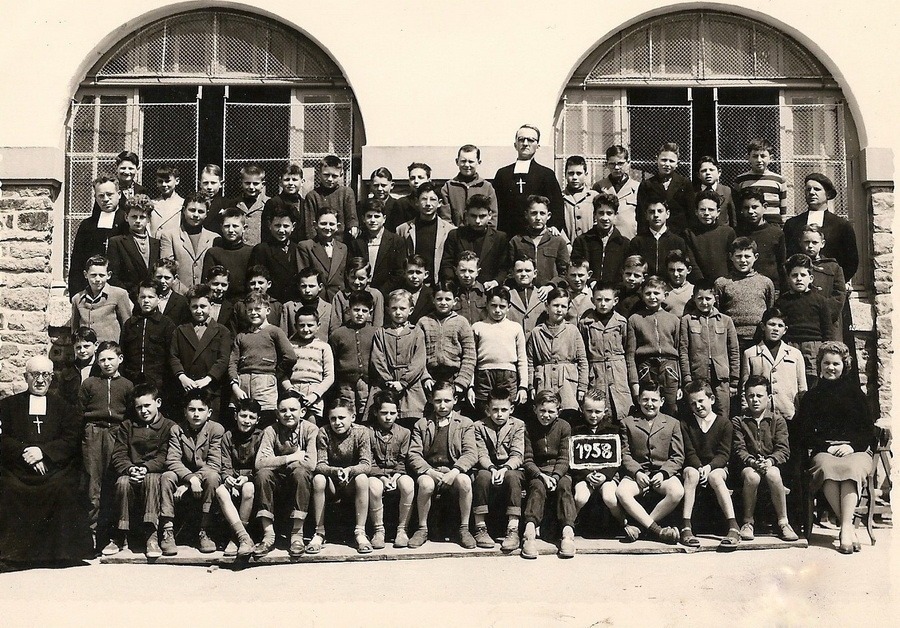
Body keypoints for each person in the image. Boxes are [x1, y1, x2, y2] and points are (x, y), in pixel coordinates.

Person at [0, 356, 93, 566]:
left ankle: (59, 554)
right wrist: (25, 451)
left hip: (52, 468)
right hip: (17, 469)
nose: (40, 380)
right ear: (25, 376)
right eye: (35, 374)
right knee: (8, 488)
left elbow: (71, 439)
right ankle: (14, 555)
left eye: (45, 375)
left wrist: (43, 452)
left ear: (52, 378)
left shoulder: (64, 408)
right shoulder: (7, 406)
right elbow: (2, 437)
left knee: (63, 487)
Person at [796, 342, 875, 553]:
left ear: (844, 366)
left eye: (836, 364)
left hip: (855, 450)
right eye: (826, 363)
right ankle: (848, 527)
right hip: (825, 451)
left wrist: (852, 447)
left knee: (851, 469)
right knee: (827, 469)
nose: (830, 368)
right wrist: (826, 447)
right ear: (820, 365)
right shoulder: (811, 397)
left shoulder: (856, 394)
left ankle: (845, 527)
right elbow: (804, 432)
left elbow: (868, 430)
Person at [107, 382, 177, 558]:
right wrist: (130, 469)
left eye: (147, 405)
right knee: (122, 483)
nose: (143, 411)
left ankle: (151, 536)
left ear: (158, 403)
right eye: (139, 407)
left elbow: (165, 455)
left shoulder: (168, 426)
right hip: (131, 473)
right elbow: (119, 454)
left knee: (152, 480)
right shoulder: (127, 426)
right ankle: (120, 535)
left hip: (154, 474)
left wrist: (146, 468)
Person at [407, 382, 478, 549]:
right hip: (431, 471)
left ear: (455, 400)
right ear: (431, 400)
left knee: (465, 481)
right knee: (425, 484)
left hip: (454, 471)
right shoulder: (422, 424)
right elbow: (414, 454)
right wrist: (429, 471)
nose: (443, 405)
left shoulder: (465, 423)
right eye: (438, 401)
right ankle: (422, 529)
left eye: (447, 400)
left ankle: (464, 528)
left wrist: (454, 472)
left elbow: (470, 453)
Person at [614, 381, 684, 545]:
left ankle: (642, 527)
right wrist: (637, 472)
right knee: (622, 492)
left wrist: (663, 473)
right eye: (645, 399)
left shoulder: (672, 423)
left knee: (677, 491)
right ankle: (658, 531)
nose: (649, 404)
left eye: (654, 400)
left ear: (662, 401)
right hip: (637, 474)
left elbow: (678, 456)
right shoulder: (627, 422)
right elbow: (624, 454)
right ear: (638, 400)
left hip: (663, 474)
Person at [158, 387, 225, 555]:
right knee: (167, 476)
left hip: (203, 477)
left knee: (213, 477)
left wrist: (191, 482)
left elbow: (214, 463)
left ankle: (205, 530)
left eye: (201, 410)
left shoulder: (216, 429)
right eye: (191, 409)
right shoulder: (177, 430)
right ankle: (168, 530)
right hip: (183, 476)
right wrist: (190, 479)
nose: (196, 414)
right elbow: (172, 460)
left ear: (209, 413)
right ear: (185, 411)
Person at [252, 392, 319, 559]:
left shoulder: (310, 429)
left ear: (302, 412)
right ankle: (268, 535)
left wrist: (276, 462)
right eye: (283, 410)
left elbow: (311, 464)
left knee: (301, 472)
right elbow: (260, 463)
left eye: (293, 410)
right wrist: (291, 458)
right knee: (263, 474)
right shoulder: (271, 431)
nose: (288, 414)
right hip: (277, 481)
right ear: (277, 413)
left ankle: (297, 535)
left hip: (299, 481)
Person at [79, 340, 134, 544]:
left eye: (111, 359)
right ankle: (92, 533)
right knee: (93, 483)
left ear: (120, 359)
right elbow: (79, 412)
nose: (107, 363)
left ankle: (115, 533)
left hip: (117, 433)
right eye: (102, 360)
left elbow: (131, 414)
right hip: (93, 432)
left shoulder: (127, 385)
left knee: (115, 480)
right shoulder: (90, 383)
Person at [732, 376, 798, 542]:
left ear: (768, 397)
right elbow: (739, 449)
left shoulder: (778, 420)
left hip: (771, 464)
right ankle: (748, 522)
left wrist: (770, 461)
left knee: (773, 474)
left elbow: (783, 449)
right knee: (752, 476)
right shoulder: (739, 421)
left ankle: (783, 522)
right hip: (748, 466)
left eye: (759, 396)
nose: (755, 400)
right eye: (751, 396)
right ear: (745, 397)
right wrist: (752, 462)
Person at [679, 379, 740, 549]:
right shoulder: (686, 424)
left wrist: (709, 467)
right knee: (691, 474)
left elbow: (724, 454)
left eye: (701, 401)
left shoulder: (724, 423)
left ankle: (733, 526)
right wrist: (699, 467)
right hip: (695, 466)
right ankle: (686, 526)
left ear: (711, 399)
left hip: (717, 467)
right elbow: (689, 451)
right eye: (693, 403)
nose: (698, 406)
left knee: (715, 476)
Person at [310, 397, 373, 555]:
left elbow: (366, 464)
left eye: (341, 418)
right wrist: (336, 471)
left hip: (352, 482)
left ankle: (360, 532)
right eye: (333, 418)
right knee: (318, 479)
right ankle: (319, 532)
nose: (337, 422)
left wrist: (349, 471)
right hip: (332, 482)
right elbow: (320, 464)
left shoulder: (362, 432)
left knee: (362, 478)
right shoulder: (324, 432)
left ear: (353, 417)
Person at [521, 389, 576, 559]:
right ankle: (529, 533)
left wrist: (556, 476)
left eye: (551, 411)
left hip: (558, 472)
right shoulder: (528, 427)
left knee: (564, 485)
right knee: (537, 487)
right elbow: (527, 459)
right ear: (535, 409)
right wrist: (540, 475)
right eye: (542, 410)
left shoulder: (564, 427)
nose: (546, 415)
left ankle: (568, 533)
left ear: (558, 411)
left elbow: (564, 458)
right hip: (537, 472)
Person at [471, 388, 526, 552]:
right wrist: (492, 468)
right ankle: (480, 527)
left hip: (511, 467)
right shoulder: (479, 426)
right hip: (488, 466)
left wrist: (505, 468)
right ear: (487, 410)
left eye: (504, 410)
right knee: (482, 477)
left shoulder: (518, 425)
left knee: (513, 477)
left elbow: (517, 454)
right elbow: (481, 454)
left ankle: (513, 528)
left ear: (511, 409)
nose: (499, 414)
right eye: (495, 410)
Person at [229, 293, 297, 423]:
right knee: (241, 419)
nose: (253, 313)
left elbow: (290, 357)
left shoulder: (274, 331)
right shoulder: (241, 336)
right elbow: (233, 362)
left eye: (257, 309)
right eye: (249, 310)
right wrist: (235, 386)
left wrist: (275, 373)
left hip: (264, 384)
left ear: (268, 310)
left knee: (265, 420)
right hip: (242, 384)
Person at [169, 284, 233, 417]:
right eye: (194, 307)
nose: (199, 311)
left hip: (211, 390)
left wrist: (208, 378)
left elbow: (223, 359)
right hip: (187, 387)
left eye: (203, 306)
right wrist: (182, 377)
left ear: (211, 306)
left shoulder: (222, 331)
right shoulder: (180, 330)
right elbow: (173, 356)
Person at [678, 280, 740, 418]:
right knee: (699, 413)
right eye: (700, 298)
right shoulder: (687, 320)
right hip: (697, 377)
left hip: (721, 378)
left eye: (708, 298)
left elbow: (734, 351)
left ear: (715, 299)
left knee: (722, 413)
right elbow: (683, 351)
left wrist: (734, 381)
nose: (704, 302)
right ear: (693, 299)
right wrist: (687, 379)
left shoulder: (726, 320)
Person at [571, 389, 628, 538]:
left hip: (607, 475)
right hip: (584, 475)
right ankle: (568, 525)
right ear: (582, 409)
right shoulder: (576, 431)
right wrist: (586, 474)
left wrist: (605, 475)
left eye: (598, 411)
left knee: (610, 497)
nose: (593, 415)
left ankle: (624, 523)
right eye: (589, 411)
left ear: (605, 411)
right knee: (580, 497)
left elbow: (617, 459)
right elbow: (572, 459)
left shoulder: (613, 430)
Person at [776, 254, 839, 386]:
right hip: (790, 345)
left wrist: (827, 350)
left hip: (813, 346)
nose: (799, 279)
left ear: (810, 278)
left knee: (813, 379)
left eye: (803, 275)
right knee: (791, 379)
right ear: (788, 278)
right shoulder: (782, 301)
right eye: (794, 275)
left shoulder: (820, 300)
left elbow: (828, 328)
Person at [784, 173, 858, 284]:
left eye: (817, 189)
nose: (811, 192)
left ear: (828, 194)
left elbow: (851, 262)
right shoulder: (792, 224)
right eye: (808, 189)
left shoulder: (841, 225)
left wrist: (836, 283)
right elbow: (786, 257)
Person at [370, 289, 427, 429]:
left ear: (411, 310)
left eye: (402, 308)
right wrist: (388, 381)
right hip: (386, 383)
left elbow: (418, 361)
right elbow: (377, 359)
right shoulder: (381, 332)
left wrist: (403, 382)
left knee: (412, 422)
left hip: (411, 385)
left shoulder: (416, 332)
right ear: (388, 310)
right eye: (394, 308)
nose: (398, 312)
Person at [526, 287, 589, 414]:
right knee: (546, 412)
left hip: (567, 383)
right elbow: (530, 362)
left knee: (569, 413)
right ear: (547, 306)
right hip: (544, 381)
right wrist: (531, 386)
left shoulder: (573, 331)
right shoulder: (537, 332)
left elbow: (583, 361)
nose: (559, 310)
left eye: (563, 306)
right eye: (555, 305)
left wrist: (582, 386)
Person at [494, 124, 565, 236]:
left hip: (537, 235)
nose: (525, 143)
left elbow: (557, 204)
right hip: (507, 235)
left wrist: (554, 226)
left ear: (538, 146)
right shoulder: (503, 174)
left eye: (531, 140)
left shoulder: (546, 174)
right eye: (521, 139)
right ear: (515, 144)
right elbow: (495, 206)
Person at [366, 390, 415, 549]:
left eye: (392, 413)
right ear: (375, 412)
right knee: (374, 486)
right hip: (375, 474)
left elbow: (403, 459)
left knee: (408, 484)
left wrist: (396, 476)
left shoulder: (405, 433)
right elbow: (368, 460)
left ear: (397, 413)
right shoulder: (367, 432)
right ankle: (378, 530)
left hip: (397, 474)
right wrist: (382, 477)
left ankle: (402, 529)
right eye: (384, 413)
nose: (388, 417)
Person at [741, 307, 808, 424]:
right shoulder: (750, 354)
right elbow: (745, 387)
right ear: (763, 326)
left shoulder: (795, 354)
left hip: (789, 414)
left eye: (780, 326)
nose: (776, 329)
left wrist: (802, 414)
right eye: (771, 324)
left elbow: (802, 387)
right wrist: (746, 410)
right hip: (761, 416)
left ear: (785, 330)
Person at [625, 276, 682, 415]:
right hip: (646, 368)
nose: (652, 297)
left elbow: (679, 351)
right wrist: (634, 383)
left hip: (669, 369)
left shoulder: (674, 320)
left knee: (671, 409)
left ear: (665, 295)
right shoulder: (634, 319)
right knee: (647, 408)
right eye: (648, 293)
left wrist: (680, 384)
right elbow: (630, 355)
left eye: (656, 293)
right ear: (642, 295)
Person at [215, 398, 263, 558]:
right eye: (243, 416)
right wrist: (228, 478)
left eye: (252, 417)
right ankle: (243, 537)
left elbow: (260, 465)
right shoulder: (228, 436)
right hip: (233, 478)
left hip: (251, 480)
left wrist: (247, 478)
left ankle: (236, 539)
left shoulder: (260, 436)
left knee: (248, 489)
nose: (247, 420)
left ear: (257, 420)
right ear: (236, 416)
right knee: (221, 491)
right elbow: (225, 464)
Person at [69, 173, 128, 296]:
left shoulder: (127, 222)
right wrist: (76, 293)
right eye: (101, 196)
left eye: (109, 194)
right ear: (95, 197)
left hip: (121, 289)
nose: (105, 199)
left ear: (119, 194)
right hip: (91, 290)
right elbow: (77, 262)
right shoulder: (87, 225)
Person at [579, 281, 631, 420]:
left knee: (621, 411)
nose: (603, 304)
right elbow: (583, 353)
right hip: (596, 374)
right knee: (597, 410)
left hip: (618, 374)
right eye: (599, 300)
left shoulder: (621, 322)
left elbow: (627, 348)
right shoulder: (585, 323)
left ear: (615, 301)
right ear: (592, 301)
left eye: (607, 300)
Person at [471, 286, 529, 411]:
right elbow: (471, 359)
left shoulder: (515, 328)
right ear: (487, 305)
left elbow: (522, 359)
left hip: (508, 376)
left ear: (509, 307)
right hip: (484, 375)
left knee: (506, 411)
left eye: (502, 306)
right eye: (493, 305)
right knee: (485, 411)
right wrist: (470, 386)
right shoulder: (477, 327)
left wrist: (523, 386)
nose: (497, 310)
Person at [715, 237, 776, 355]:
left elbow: (770, 309)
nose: (743, 260)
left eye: (747, 256)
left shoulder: (765, 282)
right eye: (738, 256)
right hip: (732, 339)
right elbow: (718, 312)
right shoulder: (722, 283)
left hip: (758, 339)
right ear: (731, 256)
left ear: (755, 257)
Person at [417, 281, 476, 399]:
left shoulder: (461, 322)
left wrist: (462, 381)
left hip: (454, 378)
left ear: (455, 301)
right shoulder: (423, 322)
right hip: (430, 378)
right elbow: (417, 354)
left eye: (448, 299)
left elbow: (469, 355)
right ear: (433, 300)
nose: (443, 302)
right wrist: (425, 377)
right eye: (439, 299)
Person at [439, 193, 508, 287]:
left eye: (482, 216)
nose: (477, 221)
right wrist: (452, 283)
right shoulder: (455, 235)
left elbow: (504, 267)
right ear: (466, 215)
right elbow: (447, 264)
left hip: (488, 289)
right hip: (459, 289)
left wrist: (495, 282)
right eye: (473, 216)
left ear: (490, 215)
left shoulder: (500, 238)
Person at [396, 181, 456, 284]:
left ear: (439, 203)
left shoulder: (450, 230)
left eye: (432, 199)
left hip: (438, 285)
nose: (428, 204)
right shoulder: (403, 230)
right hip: (411, 284)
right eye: (424, 199)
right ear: (417, 201)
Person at [120, 280, 176, 389]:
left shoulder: (166, 324)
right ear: (138, 298)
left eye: (150, 297)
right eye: (142, 297)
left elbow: (171, 356)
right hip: (132, 381)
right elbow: (123, 352)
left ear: (158, 299)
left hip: (158, 382)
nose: (146, 301)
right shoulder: (130, 324)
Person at [329, 290, 377, 418]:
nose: (360, 314)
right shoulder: (338, 334)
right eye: (356, 310)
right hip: (345, 382)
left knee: (366, 410)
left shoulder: (375, 333)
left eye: (364, 311)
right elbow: (333, 359)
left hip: (367, 381)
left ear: (370, 312)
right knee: (346, 409)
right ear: (348, 310)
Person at [285, 305, 334, 424]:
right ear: (295, 326)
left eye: (310, 325)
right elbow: (281, 373)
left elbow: (329, 377)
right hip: (292, 390)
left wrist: (315, 395)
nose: (306, 329)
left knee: (311, 426)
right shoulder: (289, 346)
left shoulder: (324, 347)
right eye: (302, 325)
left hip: (314, 392)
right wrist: (289, 389)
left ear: (318, 326)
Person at [159, 192, 218, 289]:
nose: (196, 215)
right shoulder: (169, 236)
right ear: (184, 210)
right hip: (179, 293)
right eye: (192, 210)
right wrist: (183, 292)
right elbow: (167, 270)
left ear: (206, 214)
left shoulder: (214, 238)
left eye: (201, 211)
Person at [508, 195, 569, 287]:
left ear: (548, 216)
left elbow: (564, 272)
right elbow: (509, 271)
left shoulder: (558, 241)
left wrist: (551, 286)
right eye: (534, 213)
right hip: (524, 291)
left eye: (542, 213)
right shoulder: (516, 241)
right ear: (526, 215)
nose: (538, 218)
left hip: (550, 292)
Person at [71, 254, 133, 343]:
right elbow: (75, 331)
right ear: (85, 275)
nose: (97, 279)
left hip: (110, 349)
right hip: (87, 349)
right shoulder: (77, 299)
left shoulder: (119, 294)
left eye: (101, 275)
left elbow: (127, 327)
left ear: (109, 275)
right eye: (93, 275)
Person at [349, 197, 407, 294]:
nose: (372, 220)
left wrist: (380, 293)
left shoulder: (396, 241)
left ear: (384, 219)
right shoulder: (357, 242)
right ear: (363, 219)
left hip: (386, 293)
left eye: (376, 216)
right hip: (360, 292)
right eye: (369, 216)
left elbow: (399, 273)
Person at [107, 194, 160, 299]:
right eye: (134, 217)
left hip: (151, 298)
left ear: (149, 219)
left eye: (142, 217)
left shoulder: (156, 243)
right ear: (126, 217)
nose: (138, 221)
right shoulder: (117, 242)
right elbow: (113, 276)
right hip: (128, 298)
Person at [571, 192, 630, 284]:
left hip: (615, 290)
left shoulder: (624, 243)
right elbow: (577, 269)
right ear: (595, 215)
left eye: (609, 213)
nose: (605, 218)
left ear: (615, 215)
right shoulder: (582, 241)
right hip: (589, 288)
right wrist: (591, 283)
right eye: (601, 213)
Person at [636, 143, 694, 235]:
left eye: (671, 161)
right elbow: (641, 215)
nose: (667, 164)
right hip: (653, 234)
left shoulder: (685, 184)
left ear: (677, 163)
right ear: (657, 160)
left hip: (679, 234)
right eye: (664, 160)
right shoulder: (647, 185)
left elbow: (690, 213)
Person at [735, 188, 786, 291]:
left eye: (754, 207)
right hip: (742, 288)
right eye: (746, 208)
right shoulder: (737, 233)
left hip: (770, 288)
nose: (750, 211)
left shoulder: (776, 233)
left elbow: (782, 265)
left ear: (765, 207)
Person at [250, 205, 302, 304]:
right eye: (277, 225)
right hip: (270, 302)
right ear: (270, 225)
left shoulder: (298, 248)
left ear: (293, 227)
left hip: (294, 302)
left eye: (286, 226)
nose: (281, 230)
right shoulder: (262, 249)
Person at [682, 189, 735, 283]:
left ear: (718, 212)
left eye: (711, 210)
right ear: (696, 211)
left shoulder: (728, 232)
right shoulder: (689, 233)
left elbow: (733, 261)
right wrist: (701, 283)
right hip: (699, 285)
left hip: (724, 283)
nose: (706, 213)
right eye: (702, 209)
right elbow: (691, 262)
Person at [626, 196, 687, 276]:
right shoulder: (637, 241)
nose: (656, 215)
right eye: (651, 212)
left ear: (667, 214)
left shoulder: (678, 241)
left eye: (660, 211)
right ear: (646, 215)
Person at [297, 207, 349, 302]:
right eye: (323, 223)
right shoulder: (306, 246)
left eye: (331, 224)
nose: (328, 227)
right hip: (316, 299)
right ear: (315, 225)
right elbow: (304, 276)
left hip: (337, 299)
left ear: (337, 226)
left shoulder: (343, 248)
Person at [202, 207, 254, 301]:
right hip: (220, 302)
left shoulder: (251, 252)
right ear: (221, 227)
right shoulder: (213, 253)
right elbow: (207, 284)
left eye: (235, 226)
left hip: (244, 302)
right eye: (227, 226)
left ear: (244, 228)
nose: (230, 230)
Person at [732, 139, 787, 226]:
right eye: (755, 156)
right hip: (749, 226)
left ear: (771, 158)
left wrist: (782, 224)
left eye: (763, 156)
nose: (759, 160)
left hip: (773, 225)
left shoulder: (779, 180)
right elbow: (737, 206)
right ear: (748, 158)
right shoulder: (741, 180)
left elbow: (783, 209)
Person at [302, 155, 358, 240]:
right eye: (326, 175)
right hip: (319, 242)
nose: (330, 179)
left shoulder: (347, 193)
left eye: (334, 176)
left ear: (341, 175)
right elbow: (310, 227)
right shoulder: (312, 196)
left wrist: (353, 227)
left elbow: (351, 217)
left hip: (342, 242)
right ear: (319, 174)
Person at [441, 144, 498, 226]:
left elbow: (492, 218)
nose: (467, 165)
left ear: (479, 162)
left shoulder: (487, 187)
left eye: (471, 161)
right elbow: (445, 219)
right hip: (456, 233)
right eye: (463, 161)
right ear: (457, 161)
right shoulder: (448, 187)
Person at [592, 145, 640, 239]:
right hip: (605, 239)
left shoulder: (637, 187)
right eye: (612, 164)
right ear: (606, 164)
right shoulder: (599, 187)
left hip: (630, 238)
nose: (616, 167)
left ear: (628, 163)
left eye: (620, 163)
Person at [329, 257, 384, 333]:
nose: (356, 282)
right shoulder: (340, 296)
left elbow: (378, 325)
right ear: (347, 276)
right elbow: (335, 326)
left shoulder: (376, 295)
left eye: (361, 278)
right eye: (353, 277)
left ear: (368, 278)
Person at [281, 267, 331, 341]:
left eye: (311, 286)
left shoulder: (329, 308)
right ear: (298, 287)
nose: (307, 290)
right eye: (304, 286)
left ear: (320, 287)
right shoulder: (289, 307)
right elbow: (283, 336)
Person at [261, 163, 305, 243]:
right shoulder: (273, 203)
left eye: (294, 180)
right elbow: (266, 231)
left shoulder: (305, 203)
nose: (290, 183)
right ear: (280, 182)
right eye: (287, 180)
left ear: (302, 182)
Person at [226, 165, 269, 246]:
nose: (251, 187)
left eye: (255, 184)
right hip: (239, 249)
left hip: (260, 249)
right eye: (247, 183)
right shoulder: (233, 204)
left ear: (263, 184)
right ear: (241, 183)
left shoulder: (268, 203)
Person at [561, 155, 599, 244]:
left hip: (590, 245)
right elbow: (557, 225)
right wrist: (566, 244)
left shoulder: (594, 196)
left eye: (579, 173)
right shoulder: (560, 197)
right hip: (567, 246)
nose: (574, 177)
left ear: (585, 174)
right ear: (565, 175)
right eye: (571, 173)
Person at [505, 254, 545, 335]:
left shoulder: (542, 294)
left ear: (535, 273)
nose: (523, 274)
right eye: (519, 271)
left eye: (527, 270)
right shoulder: (507, 295)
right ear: (513, 273)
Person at [693, 156, 736, 227]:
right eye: (704, 171)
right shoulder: (693, 192)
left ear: (719, 173)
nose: (708, 173)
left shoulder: (727, 191)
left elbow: (733, 218)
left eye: (711, 170)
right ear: (698, 175)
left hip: (722, 232)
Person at [360, 167, 405, 233]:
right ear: (371, 185)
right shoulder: (362, 205)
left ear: (392, 185)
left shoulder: (398, 206)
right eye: (376, 185)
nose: (379, 189)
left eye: (383, 185)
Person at [452, 251, 488, 325]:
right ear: (456, 271)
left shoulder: (485, 293)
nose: (466, 275)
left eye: (471, 271)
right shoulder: (451, 293)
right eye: (463, 270)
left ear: (477, 272)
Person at [151, 257, 190, 323]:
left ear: (175, 278)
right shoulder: (146, 298)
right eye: (159, 277)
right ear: (153, 277)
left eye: (167, 278)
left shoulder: (181, 302)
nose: (162, 281)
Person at [150, 164, 184, 236]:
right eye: (160, 181)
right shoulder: (152, 203)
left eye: (167, 181)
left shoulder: (183, 203)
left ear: (177, 181)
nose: (164, 184)